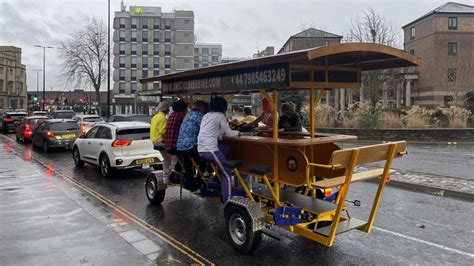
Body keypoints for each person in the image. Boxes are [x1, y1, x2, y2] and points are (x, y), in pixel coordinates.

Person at [198, 97, 239, 203]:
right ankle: (227, 200)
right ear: (223, 107)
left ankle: (219, 172)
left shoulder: (206, 115)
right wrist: (238, 132)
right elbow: (229, 134)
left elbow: (219, 135)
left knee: (227, 150)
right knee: (227, 173)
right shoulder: (220, 116)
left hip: (201, 149)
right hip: (210, 150)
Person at [176, 101, 208, 191]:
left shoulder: (189, 114)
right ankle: (200, 180)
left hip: (180, 147)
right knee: (204, 158)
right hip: (190, 146)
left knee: (188, 163)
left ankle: (190, 182)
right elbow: (207, 130)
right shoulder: (201, 116)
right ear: (203, 108)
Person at [163, 99, 188, 183]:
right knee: (189, 156)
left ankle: (167, 177)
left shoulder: (172, 115)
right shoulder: (182, 116)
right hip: (176, 145)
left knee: (170, 161)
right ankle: (177, 175)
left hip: (167, 144)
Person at [150, 101, 171, 179]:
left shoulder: (154, 117)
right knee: (171, 159)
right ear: (165, 109)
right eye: (168, 108)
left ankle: (166, 176)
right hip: (161, 142)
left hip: (154, 142)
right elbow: (163, 131)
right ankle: (169, 175)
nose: (169, 110)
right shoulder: (163, 118)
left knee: (165, 159)